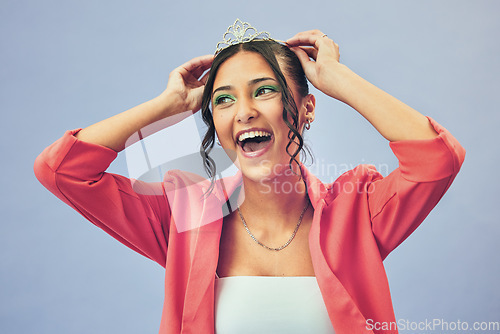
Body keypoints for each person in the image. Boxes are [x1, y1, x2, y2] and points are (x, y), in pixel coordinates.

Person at [34, 19, 465, 334]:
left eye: (265, 90)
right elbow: (63, 171)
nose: (245, 111)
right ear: (215, 125)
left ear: (306, 109)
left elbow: (436, 160)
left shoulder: (358, 209)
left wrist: (338, 78)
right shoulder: (181, 216)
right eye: (223, 100)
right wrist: (168, 105)